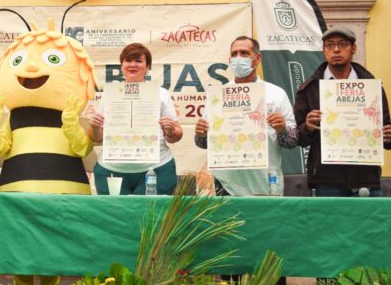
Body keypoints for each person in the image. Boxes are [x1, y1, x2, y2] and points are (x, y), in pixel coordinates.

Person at [294, 26, 391, 197]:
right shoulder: (309, 89)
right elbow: (299, 138)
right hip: (327, 180)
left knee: (371, 224)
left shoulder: (372, 86)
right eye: (329, 45)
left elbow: (387, 134)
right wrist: (308, 127)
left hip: (366, 177)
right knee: (331, 225)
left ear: (353, 48)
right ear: (323, 50)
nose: (336, 49)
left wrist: (389, 136)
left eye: (342, 44)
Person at [193, 36, 298, 197]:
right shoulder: (218, 95)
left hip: (266, 183)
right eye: (234, 54)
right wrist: (200, 133)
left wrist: (282, 129)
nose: (238, 58)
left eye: (244, 53)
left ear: (257, 58)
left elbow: (292, 141)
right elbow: (203, 143)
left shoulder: (276, 93)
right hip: (227, 185)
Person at [86, 43, 183, 195]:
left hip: (156, 169)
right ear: (122, 65)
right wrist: (95, 128)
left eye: (138, 61)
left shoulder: (161, 93)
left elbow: (176, 135)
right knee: (115, 218)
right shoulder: (110, 94)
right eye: (128, 61)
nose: (133, 65)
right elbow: (97, 138)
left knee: (152, 218)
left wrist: (170, 130)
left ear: (147, 66)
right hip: (110, 170)